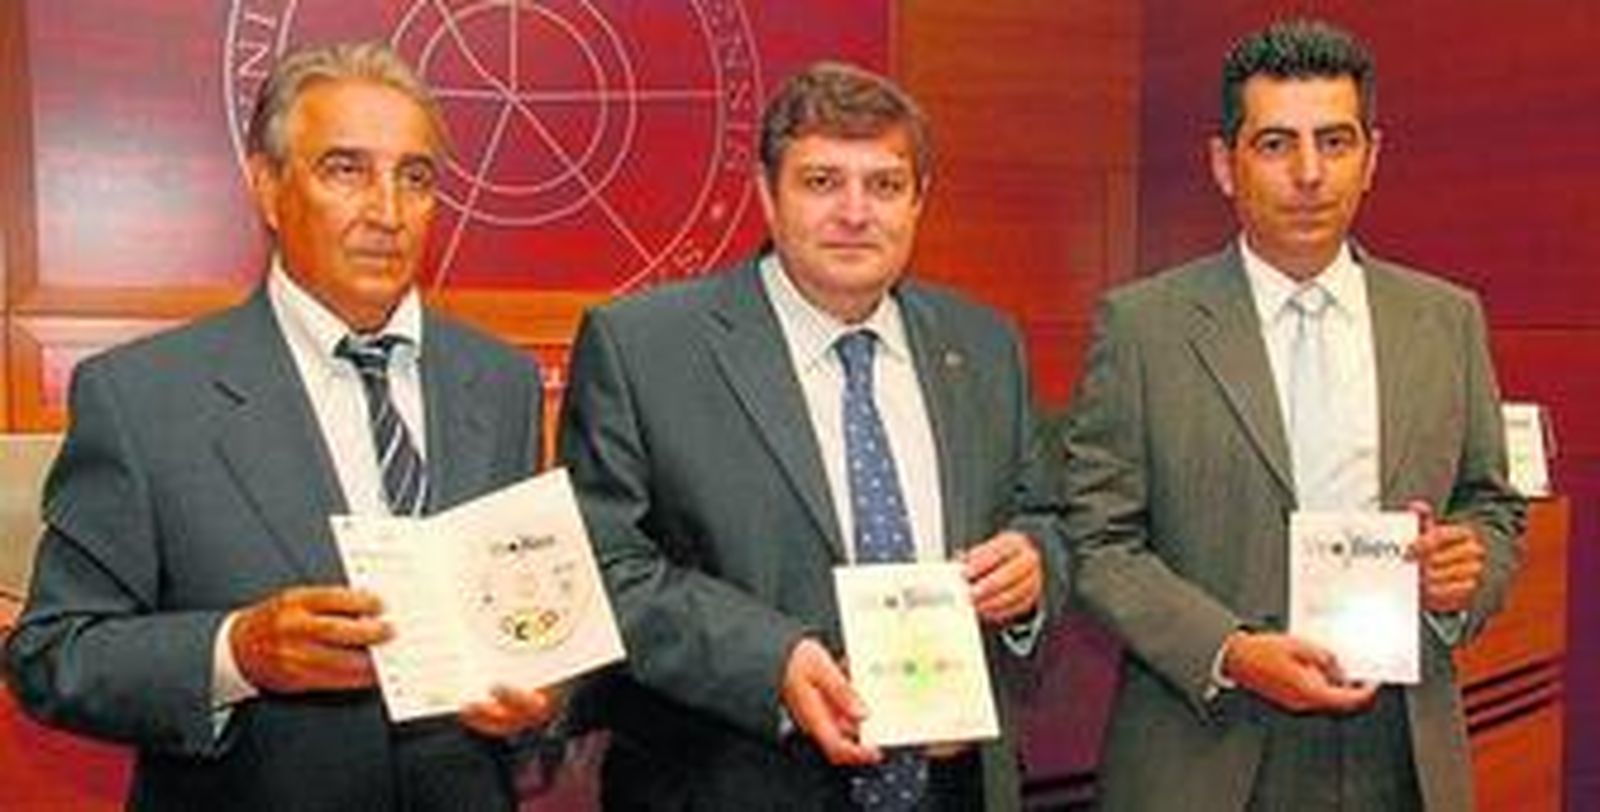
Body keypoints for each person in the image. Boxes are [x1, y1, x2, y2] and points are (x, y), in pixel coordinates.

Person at [4, 41, 557, 811]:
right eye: (346, 170)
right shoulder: (141, 397)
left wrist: (541, 706)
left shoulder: (502, 383)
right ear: (267, 188)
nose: (388, 212)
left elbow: (530, 618)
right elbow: (52, 655)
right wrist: (236, 652)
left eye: (415, 177)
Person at [559, 61, 1067, 810]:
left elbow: (1044, 515)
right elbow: (603, 566)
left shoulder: (985, 343)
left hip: (953, 787)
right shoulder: (644, 348)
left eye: (885, 185)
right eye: (823, 182)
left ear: (919, 201)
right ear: (767, 194)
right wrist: (772, 661)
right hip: (735, 784)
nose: (855, 213)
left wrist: (1032, 570)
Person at [1063, 18, 1527, 812]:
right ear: (1225, 163)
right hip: (1208, 746)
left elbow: (1492, 505)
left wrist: (1467, 567)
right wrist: (1232, 651)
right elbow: (1099, 542)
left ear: (1371, 158)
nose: (1310, 173)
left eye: (1335, 142)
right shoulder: (1142, 327)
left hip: (1403, 749)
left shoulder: (1447, 319)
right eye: (1276, 144)